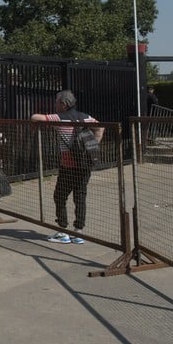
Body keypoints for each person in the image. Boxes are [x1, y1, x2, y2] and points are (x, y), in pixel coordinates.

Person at [31, 90, 104, 245]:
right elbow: (100, 128)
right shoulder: (85, 116)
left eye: (57, 101)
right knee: (80, 196)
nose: (55, 104)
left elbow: (35, 118)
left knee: (60, 196)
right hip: (85, 164)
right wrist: (93, 146)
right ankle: (78, 232)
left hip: (68, 165)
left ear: (64, 104)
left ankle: (63, 231)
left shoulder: (60, 118)